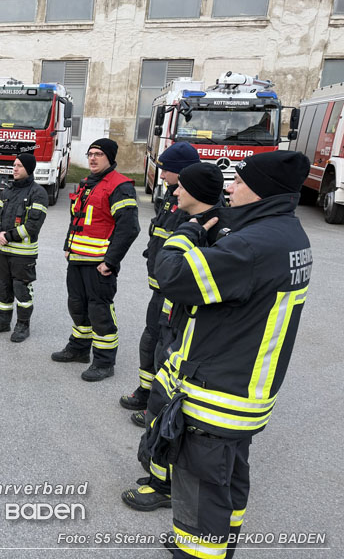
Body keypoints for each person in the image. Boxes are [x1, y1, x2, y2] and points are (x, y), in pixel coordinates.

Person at [151, 151, 311, 558]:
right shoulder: (289, 235)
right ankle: (223, 539)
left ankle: (200, 549)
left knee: (201, 487)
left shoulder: (254, 246)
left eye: (238, 182)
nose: (230, 188)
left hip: (217, 392)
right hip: (248, 391)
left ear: (260, 191)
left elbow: (172, 276)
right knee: (229, 477)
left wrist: (185, 233)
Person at [121, 160, 225, 513]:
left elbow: (178, 275)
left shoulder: (216, 231)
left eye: (183, 186)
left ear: (197, 192)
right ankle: (156, 473)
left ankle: (162, 485)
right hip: (173, 319)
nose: (175, 190)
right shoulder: (193, 220)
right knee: (159, 403)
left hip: (190, 339)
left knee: (170, 411)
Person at [119, 142, 199, 412]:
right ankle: (145, 392)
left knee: (166, 348)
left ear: (183, 172)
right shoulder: (172, 197)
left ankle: (159, 406)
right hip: (159, 290)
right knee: (150, 341)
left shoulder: (192, 204)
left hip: (174, 295)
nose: (161, 175)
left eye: (166, 171)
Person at [51, 138, 139, 381]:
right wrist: (67, 246)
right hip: (77, 259)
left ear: (110, 158)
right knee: (77, 306)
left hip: (100, 264)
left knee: (100, 312)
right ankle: (79, 349)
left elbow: (129, 228)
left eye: (98, 154)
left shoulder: (120, 186)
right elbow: (76, 217)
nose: (92, 158)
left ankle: (104, 362)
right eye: (90, 153)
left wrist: (110, 262)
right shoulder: (86, 184)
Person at [0, 153, 48, 342]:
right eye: (14, 165)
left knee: (22, 290)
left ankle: (22, 325)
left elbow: (33, 225)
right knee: (2, 287)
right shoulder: (8, 190)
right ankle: (2, 321)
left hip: (23, 255)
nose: (15, 169)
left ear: (29, 169)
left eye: (19, 165)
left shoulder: (38, 193)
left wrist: (8, 236)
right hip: (3, 252)